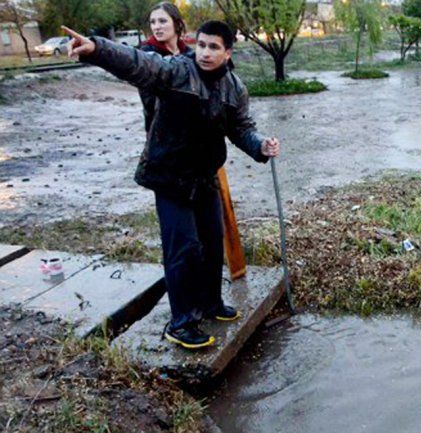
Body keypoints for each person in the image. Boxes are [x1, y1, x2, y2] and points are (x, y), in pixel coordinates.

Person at [63, 21, 281, 350]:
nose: (205, 53)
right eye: (202, 45)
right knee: (183, 249)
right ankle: (180, 322)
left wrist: (260, 146)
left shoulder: (235, 88)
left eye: (214, 48)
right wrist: (97, 49)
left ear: (227, 52)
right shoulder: (175, 72)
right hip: (168, 175)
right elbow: (136, 63)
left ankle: (210, 303)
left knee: (210, 243)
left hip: (204, 177)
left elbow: (240, 128)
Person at [139, 2, 192, 132]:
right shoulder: (147, 53)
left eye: (162, 21)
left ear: (177, 24)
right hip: (160, 130)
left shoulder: (189, 53)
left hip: (190, 127)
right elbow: (149, 99)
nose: (156, 27)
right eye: (153, 22)